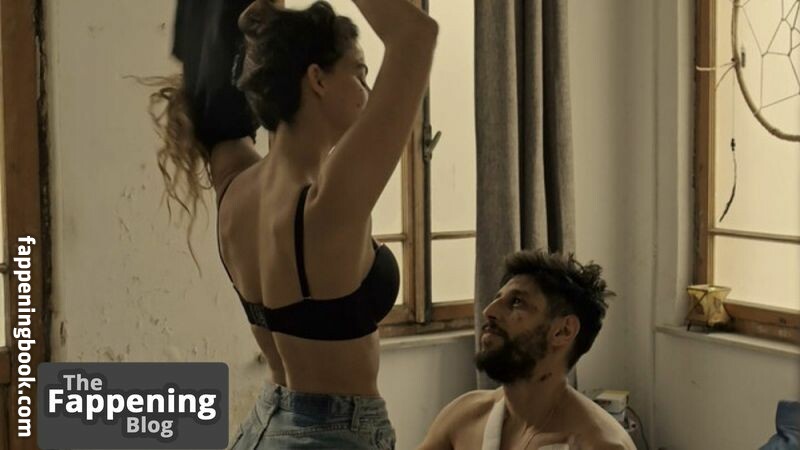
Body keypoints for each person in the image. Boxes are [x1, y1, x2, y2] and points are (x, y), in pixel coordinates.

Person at [149, 0, 438, 448]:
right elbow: (415, 36)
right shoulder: (328, 203)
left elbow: (209, 81)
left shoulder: (235, 186)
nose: (367, 91)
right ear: (317, 79)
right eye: (359, 72)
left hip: (263, 429)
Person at [418, 251, 635, 450]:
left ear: (563, 331)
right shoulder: (464, 417)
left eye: (516, 302)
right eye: (497, 299)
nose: (489, 311)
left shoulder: (600, 444)